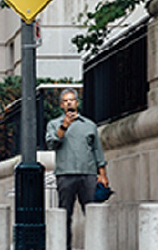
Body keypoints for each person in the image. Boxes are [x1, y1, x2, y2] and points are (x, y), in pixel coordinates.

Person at [45, 88, 108, 250]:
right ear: (61, 105)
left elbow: (97, 150)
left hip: (88, 174)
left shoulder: (89, 125)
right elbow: (52, 143)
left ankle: (95, 245)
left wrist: (102, 174)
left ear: (77, 103)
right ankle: (65, 247)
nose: (69, 103)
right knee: (65, 215)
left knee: (92, 213)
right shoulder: (53, 124)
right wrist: (64, 126)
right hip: (65, 175)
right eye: (65, 101)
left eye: (71, 100)